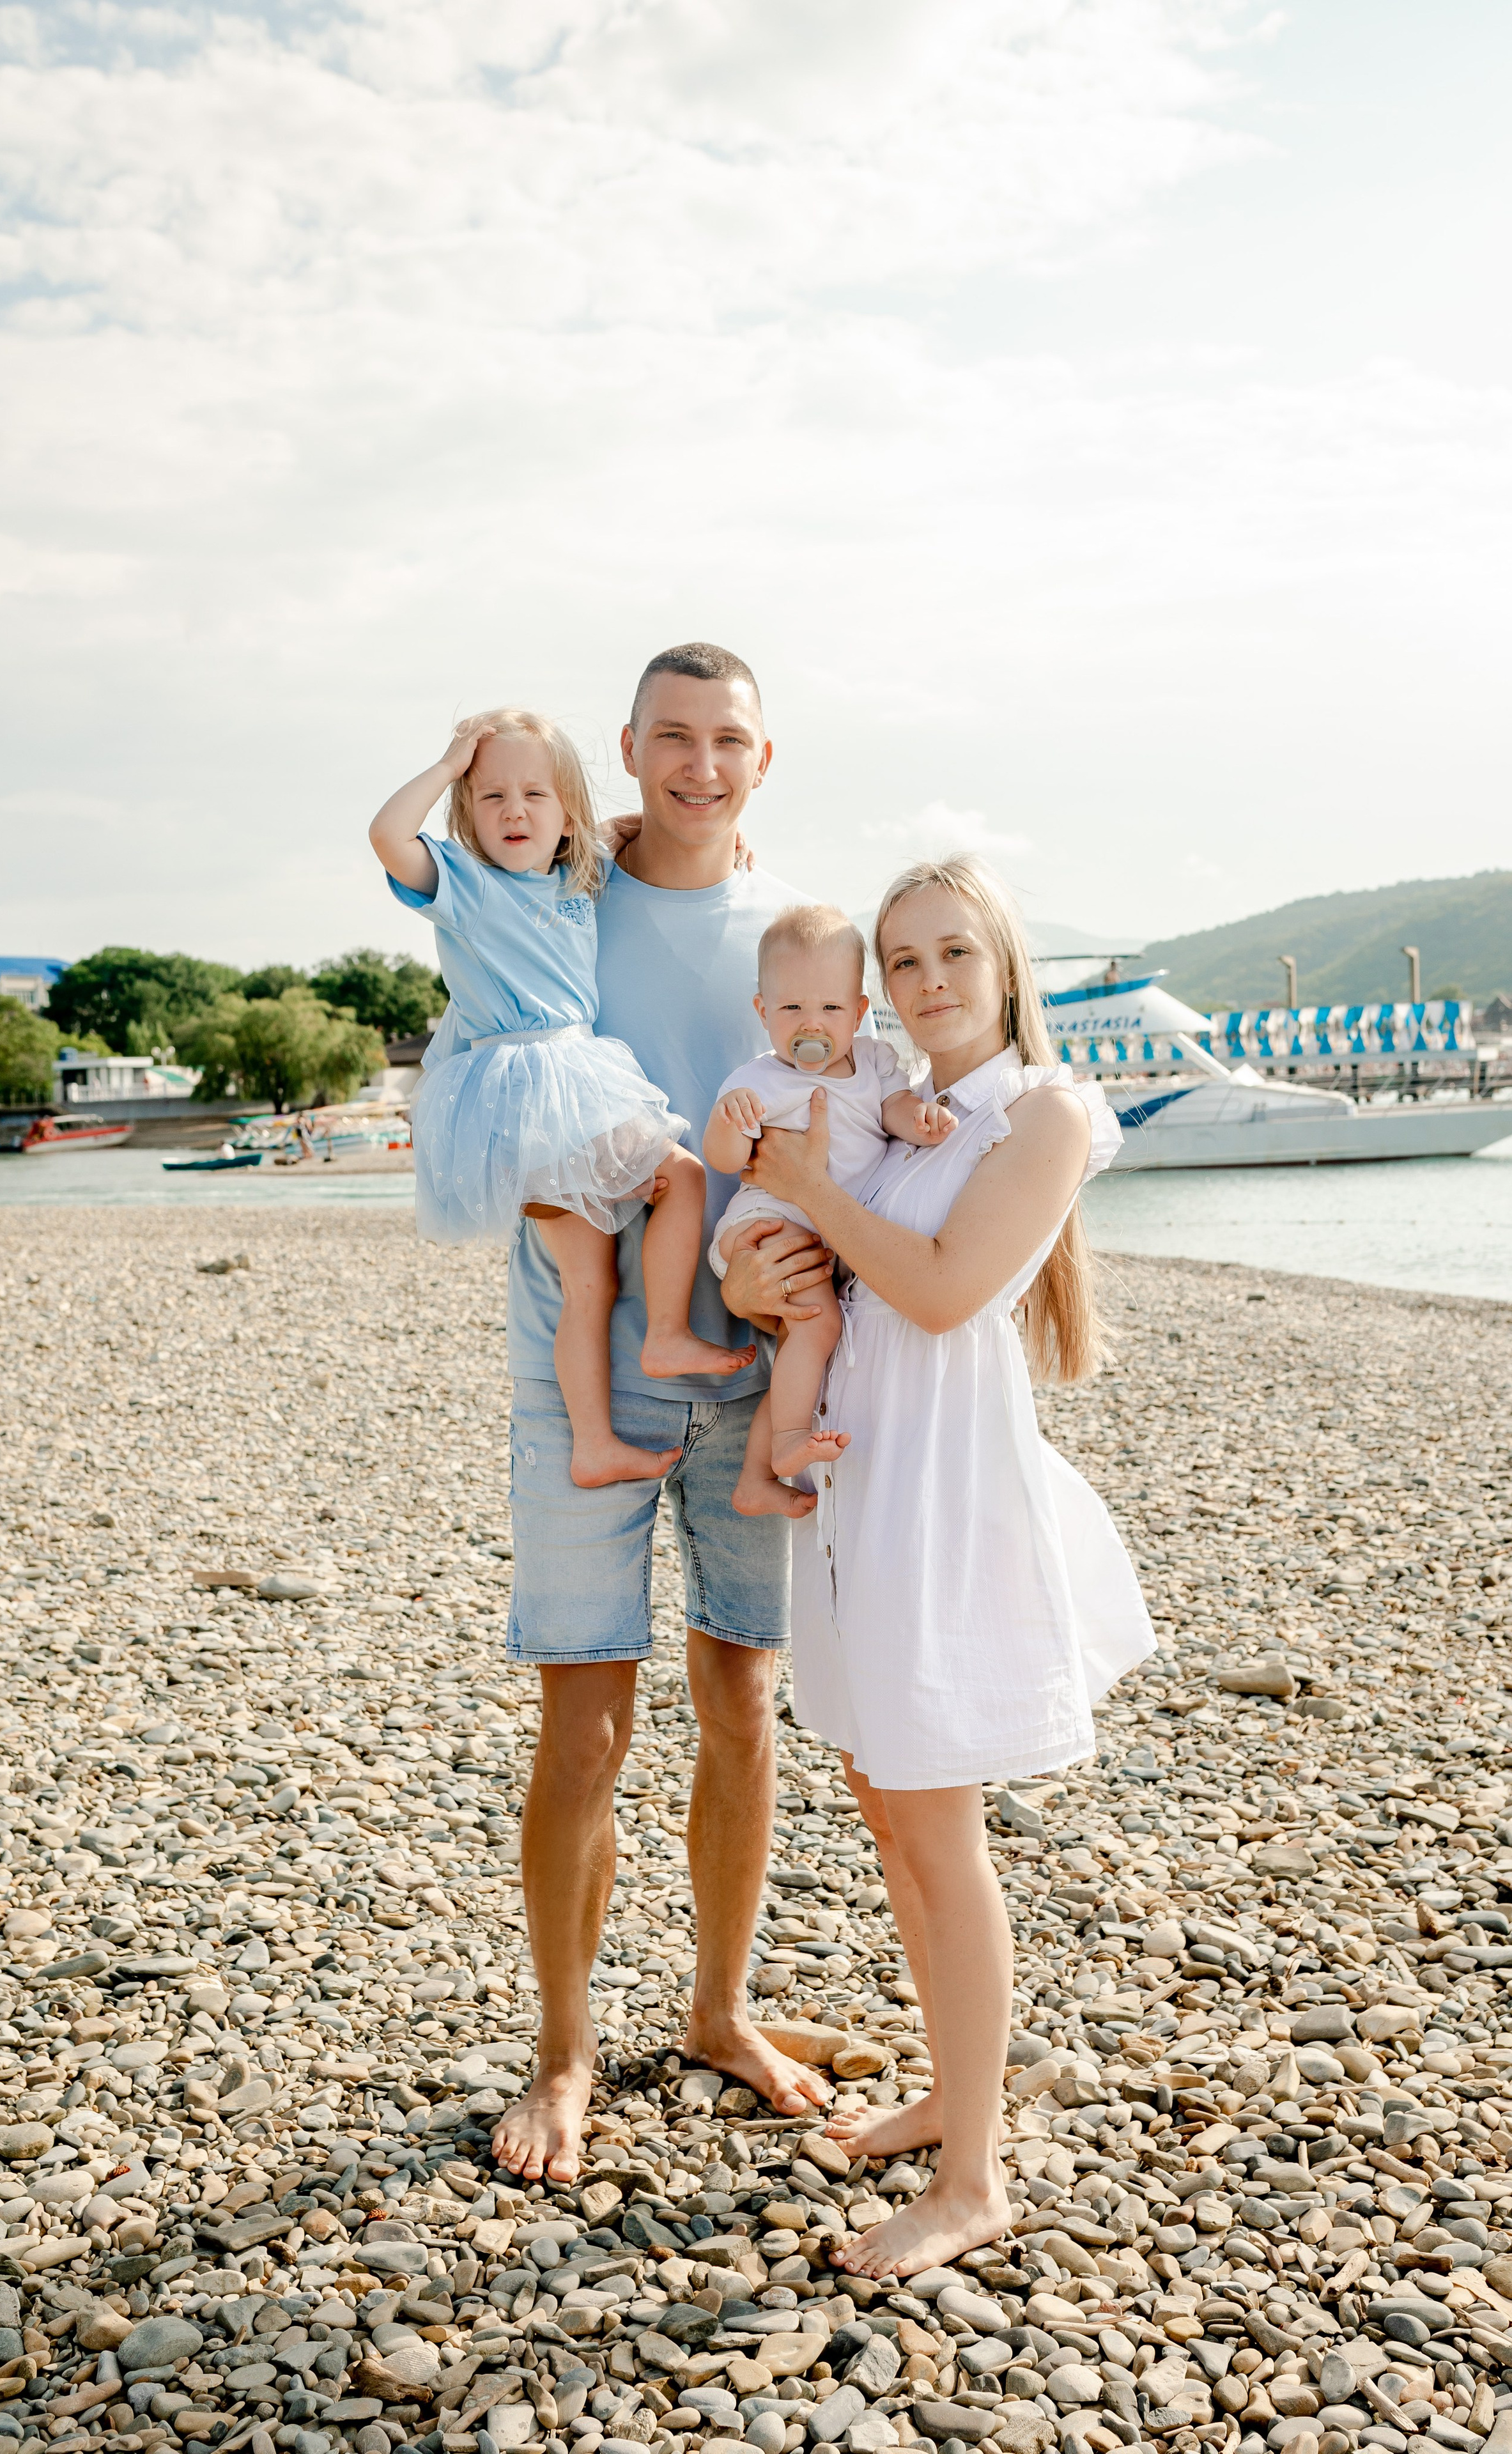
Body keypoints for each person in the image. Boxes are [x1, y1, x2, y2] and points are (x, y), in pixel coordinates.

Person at [741, 853, 1155, 2278]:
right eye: (902, 961)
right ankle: (946, 2088)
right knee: (884, 1803)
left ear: (1003, 969)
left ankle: (973, 2176)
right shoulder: (896, 1112)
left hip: (941, 1493)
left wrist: (802, 1183)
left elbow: (931, 1290)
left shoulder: (1040, 1113)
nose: (925, 984)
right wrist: (757, 1263)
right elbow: (811, 1266)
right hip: (863, 1483)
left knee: (939, 1829)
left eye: (951, 957)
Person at [482, 644, 841, 2185]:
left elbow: (863, 1120)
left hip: (755, 1357)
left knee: (740, 1695)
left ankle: (715, 2007)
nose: (701, 764)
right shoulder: (554, 892)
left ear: (767, 757)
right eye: (673, 738)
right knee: (583, 1713)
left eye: (729, 740)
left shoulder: (797, 928)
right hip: (580, 1355)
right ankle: (564, 2050)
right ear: (625, 749)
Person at [371, 711, 753, 1491]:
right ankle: (668, 1335)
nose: (514, 811)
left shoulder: (581, 876)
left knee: (592, 1285)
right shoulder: (466, 887)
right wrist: (448, 765)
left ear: (567, 813)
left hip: (566, 1088)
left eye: (535, 795)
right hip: (527, 1087)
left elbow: (630, 836)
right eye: (490, 797)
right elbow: (386, 835)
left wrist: (728, 845)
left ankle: (594, 1444)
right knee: (680, 1179)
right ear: (464, 815)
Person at [702, 901, 955, 1512]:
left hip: (822, 1229)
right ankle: (789, 1442)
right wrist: (732, 1121)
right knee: (821, 1327)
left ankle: (756, 1477)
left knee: (806, 1348)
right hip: (772, 1224)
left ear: (860, 1013)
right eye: (790, 1008)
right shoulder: (758, 1079)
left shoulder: (874, 1063)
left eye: (831, 1009)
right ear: (763, 1011)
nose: (809, 1024)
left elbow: (892, 1111)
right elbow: (722, 1156)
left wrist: (918, 1121)